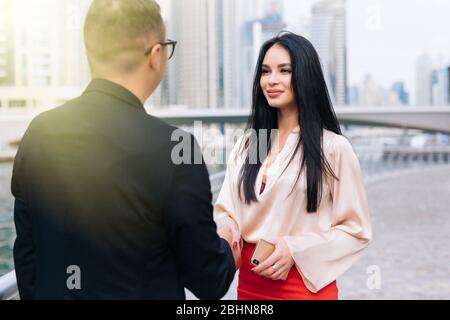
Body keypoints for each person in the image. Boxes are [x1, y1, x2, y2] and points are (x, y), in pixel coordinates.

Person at [12, 0, 238, 300]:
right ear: (156, 55)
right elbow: (209, 280)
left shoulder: (38, 133)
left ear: (89, 51)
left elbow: (27, 258)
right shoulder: (175, 149)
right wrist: (227, 245)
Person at [214, 32, 373, 300]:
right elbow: (226, 210)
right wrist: (225, 226)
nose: (271, 80)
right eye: (265, 72)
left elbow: (356, 231)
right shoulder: (246, 145)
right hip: (249, 288)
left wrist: (294, 249)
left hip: (303, 288)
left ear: (305, 77)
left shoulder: (334, 148)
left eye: (284, 70)